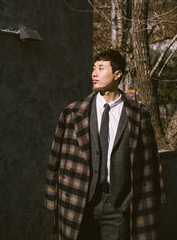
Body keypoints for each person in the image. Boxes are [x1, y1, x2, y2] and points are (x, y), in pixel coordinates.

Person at [44, 49, 165, 240]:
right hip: (79, 201)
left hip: (119, 206)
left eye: (101, 68)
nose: (94, 74)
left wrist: (153, 201)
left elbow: (150, 163)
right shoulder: (72, 112)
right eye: (94, 68)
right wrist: (52, 197)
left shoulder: (139, 115)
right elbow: (56, 158)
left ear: (117, 75)